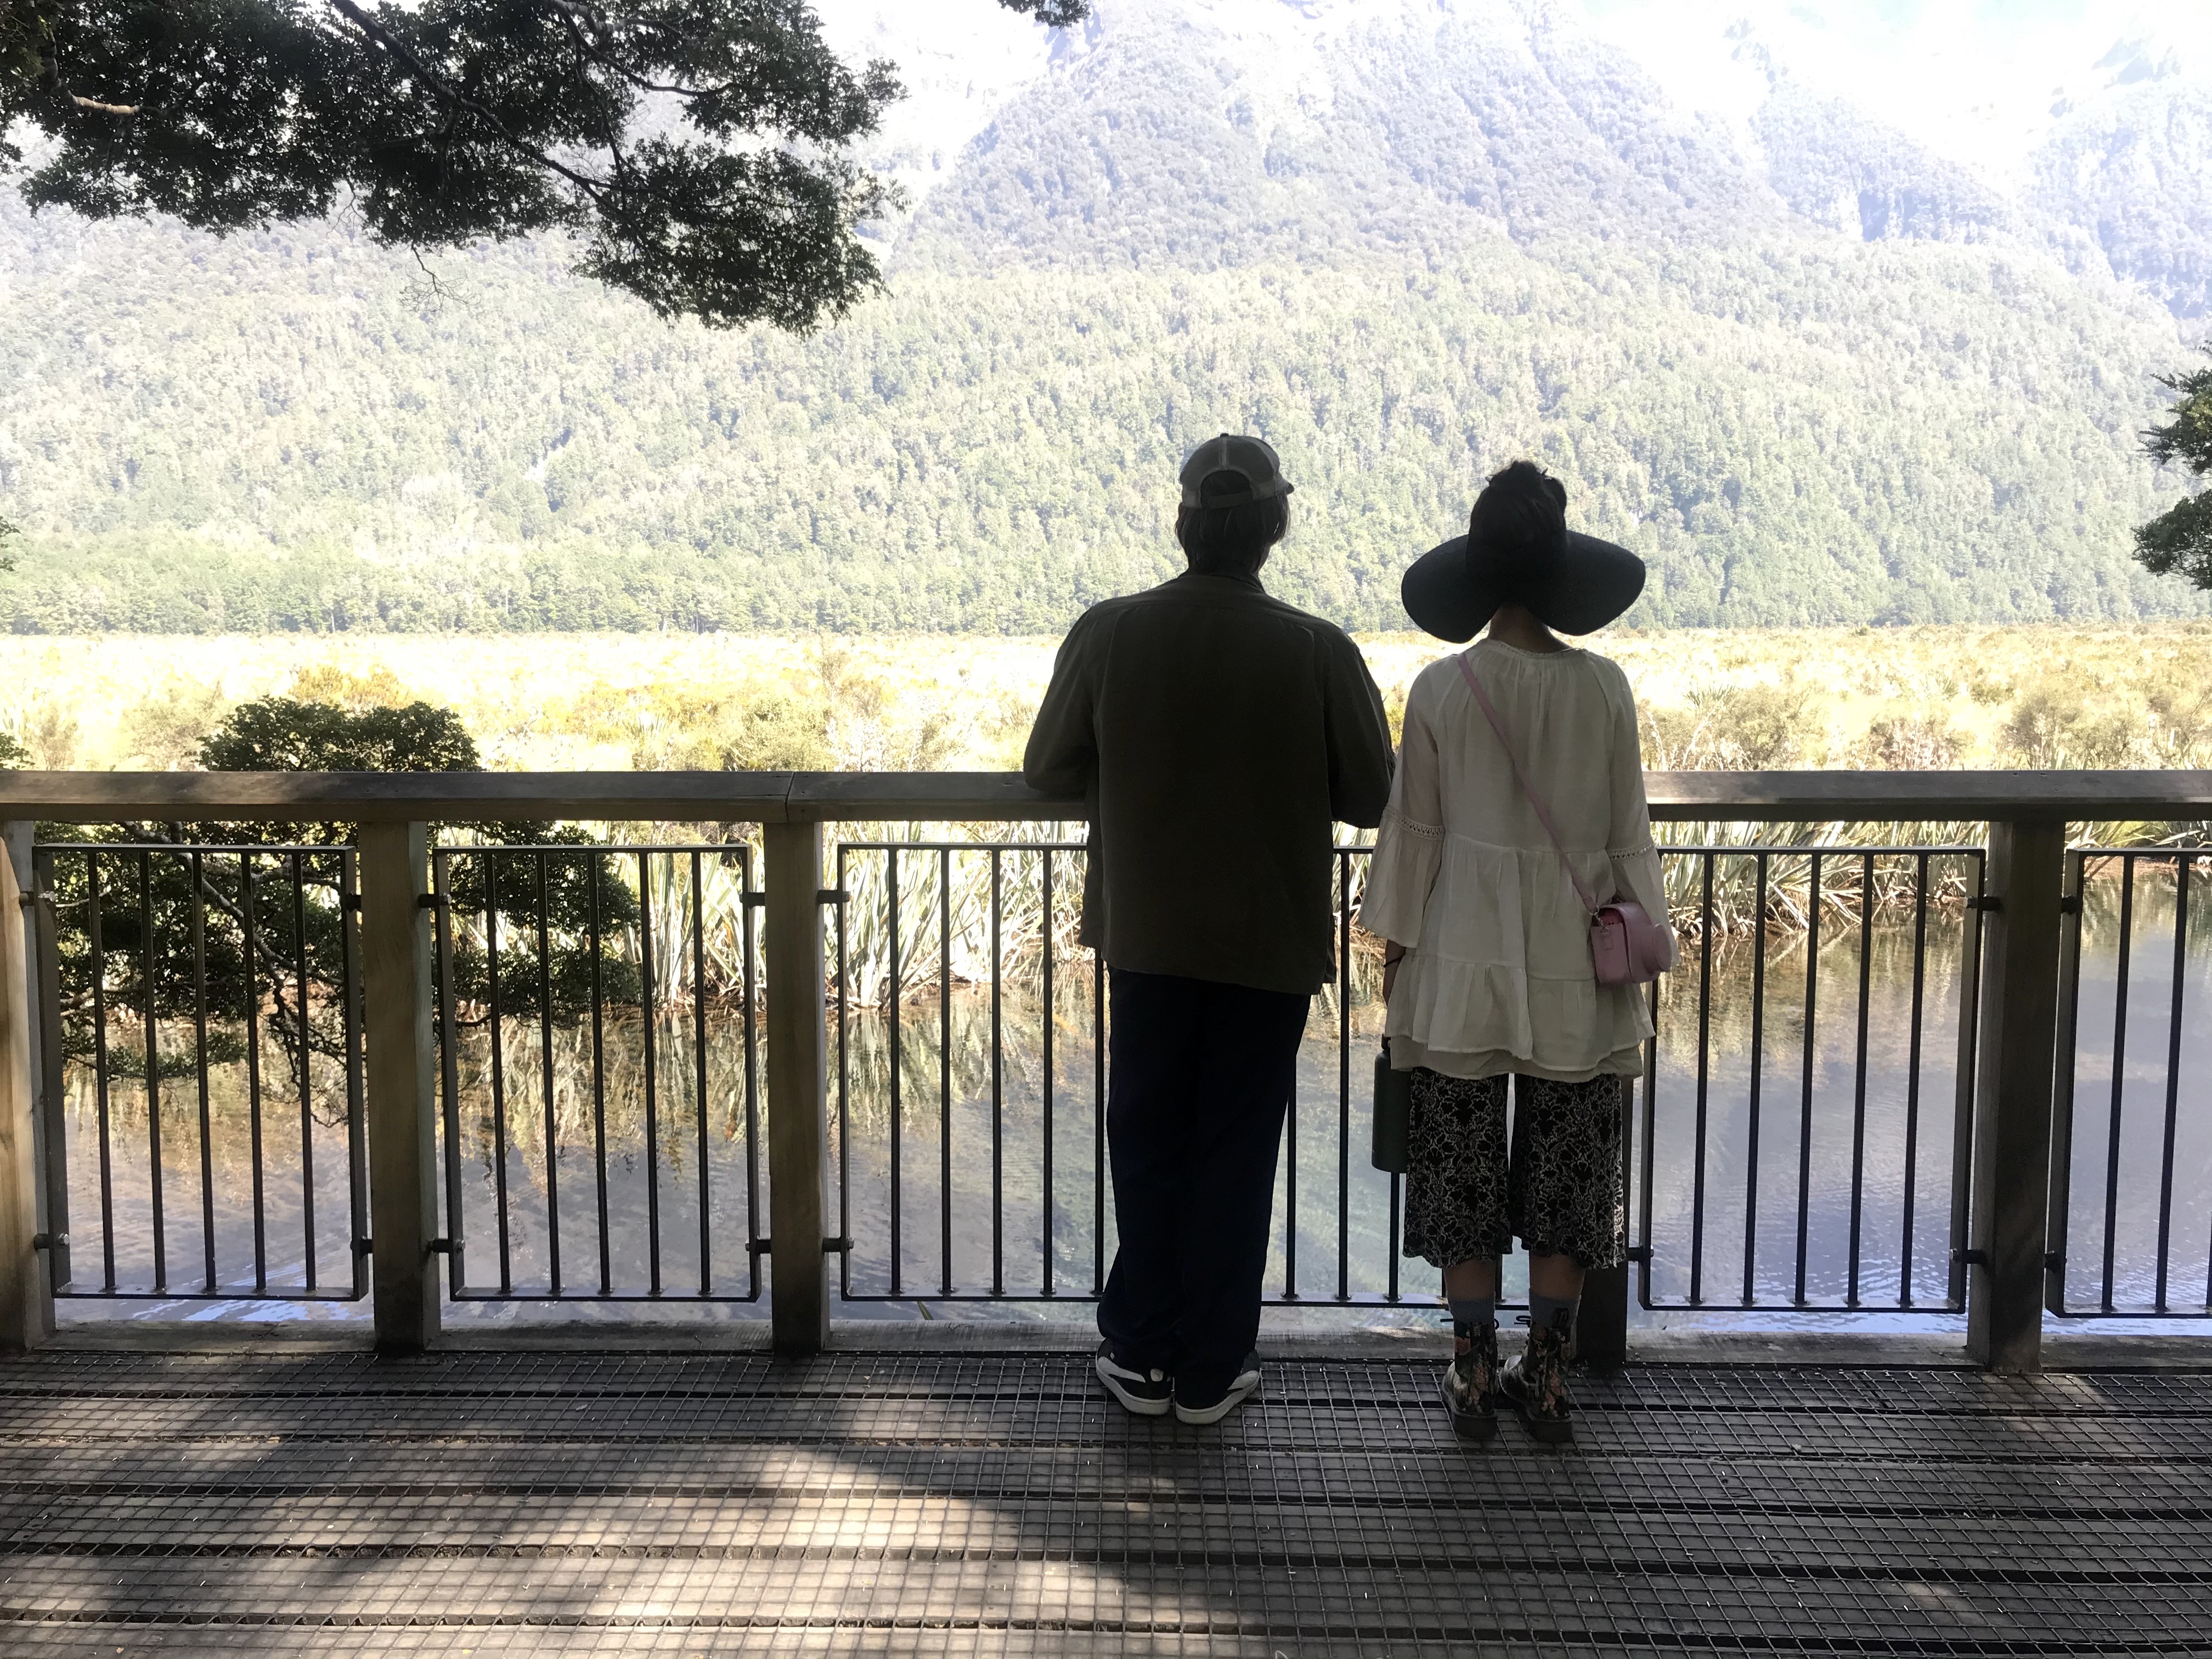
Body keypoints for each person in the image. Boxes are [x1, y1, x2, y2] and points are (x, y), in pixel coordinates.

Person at [1025, 433, 1396, 1425]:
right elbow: (1374, 796)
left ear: (1183, 523)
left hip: (1147, 936)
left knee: (1146, 1138)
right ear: (1275, 527)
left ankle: (1140, 1350)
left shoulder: (1109, 632)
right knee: (1237, 1151)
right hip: (1270, 945)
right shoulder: (1318, 648)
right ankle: (1212, 1365)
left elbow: (1046, 768)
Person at [1358, 460, 1673, 1444]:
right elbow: (1627, 838)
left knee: (1460, 1172)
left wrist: (1394, 956)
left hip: (1458, 965)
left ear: (1479, 570)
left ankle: (1469, 1370)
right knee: (1570, 1175)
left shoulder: (1442, 689)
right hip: (1577, 969)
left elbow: (1413, 838)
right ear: (1560, 566)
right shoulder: (1605, 689)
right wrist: (1645, 939)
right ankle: (1547, 1379)